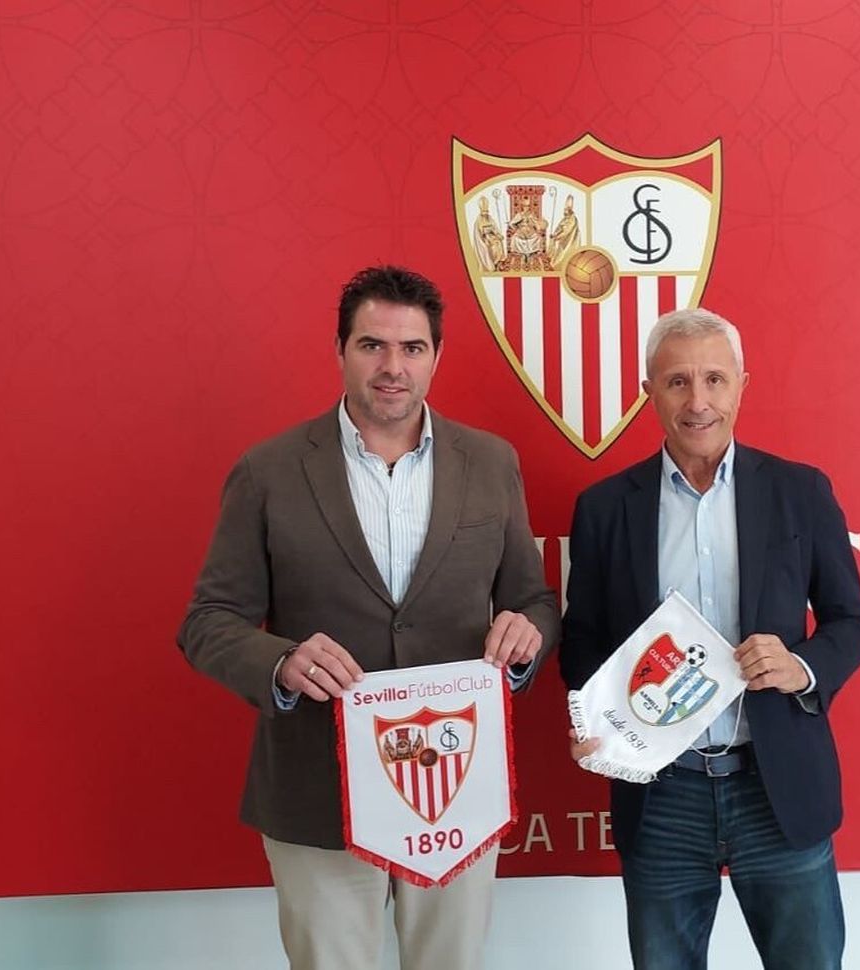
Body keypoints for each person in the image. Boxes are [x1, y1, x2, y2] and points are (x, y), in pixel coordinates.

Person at [177, 265, 560, 970]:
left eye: (412, 348)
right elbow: (209, 619)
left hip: (456, 782)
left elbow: (532, 600)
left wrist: (528, 634)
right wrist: (280, 662)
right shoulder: (269, 471)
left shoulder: (489, 462)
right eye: (372, 345)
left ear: (436, 356)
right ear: (340, 350)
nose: (393, 367)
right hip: (316, 791)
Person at [559, 306, 860, 970]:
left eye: (713, 380)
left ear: (741, 385)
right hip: (662, 796)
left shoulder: (800, 491)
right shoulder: (605, 508)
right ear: (648, 391)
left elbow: (851, 621)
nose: (697, 401)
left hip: (777, 786)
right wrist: (597, 716)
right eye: (677, 382)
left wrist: (801, 666)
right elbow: (582, 641)